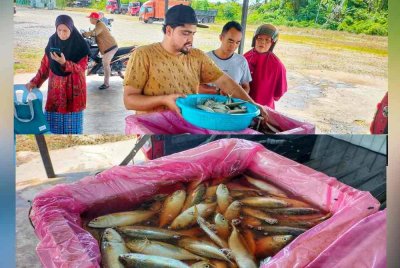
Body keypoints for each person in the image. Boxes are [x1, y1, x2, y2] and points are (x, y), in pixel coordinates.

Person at [123, 5, 267, 120]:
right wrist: (164, 100)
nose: (190, 40)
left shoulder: (196, 56)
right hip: (153, 130)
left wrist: (253, 105)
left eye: (193, 33)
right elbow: (129, 100)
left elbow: (225, 82)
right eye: (185, 33)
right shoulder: (144, 55)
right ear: (168, 30)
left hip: (188, 126)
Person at [26, 15, 90, 134]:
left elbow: (81, 68)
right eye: (59, 30)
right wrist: (35, 81)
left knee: (73, 129)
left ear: (71, 29)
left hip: (73, 91)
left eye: (65, 30)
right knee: (53, 127)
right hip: (56, 92)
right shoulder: (53, 41)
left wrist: (65, 63)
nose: (62, 33)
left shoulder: (80, 45)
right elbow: (45, 66)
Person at [200, 21, 252, 94]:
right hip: (206, 104)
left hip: (231, 105)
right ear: (221, 37)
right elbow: (197, 87)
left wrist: (238, 96)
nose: (234, 46)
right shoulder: (205, 58)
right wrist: (218, 91)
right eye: (230, 41)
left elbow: (246, 87)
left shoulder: (242, 61)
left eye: (237, 42)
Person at [244, 24, 287, 109]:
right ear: (254, 39)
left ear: (272, 43)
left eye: (267, 40)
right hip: (242, 107)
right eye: (260, 38)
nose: (263, 42)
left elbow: (278, 93)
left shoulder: (277, 65)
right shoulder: (244, 58)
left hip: (264, 110)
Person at [83, 12, 118, 90]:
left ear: (94, 19)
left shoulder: (100, 25)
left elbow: (95, 33)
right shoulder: (98, 25)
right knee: (103, 62)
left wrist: (86, 34)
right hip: (107, 48)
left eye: (90, 18)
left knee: (105, 64)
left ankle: (106, 84)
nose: (89, 20)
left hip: (110, 47)